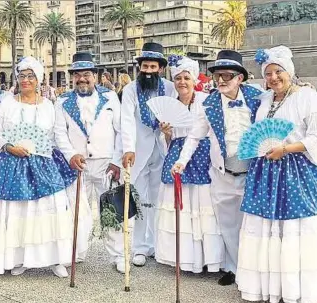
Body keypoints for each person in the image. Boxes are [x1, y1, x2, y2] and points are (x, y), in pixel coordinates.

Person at [235, 46, 317, 303]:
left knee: (298, 228)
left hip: (299, 171)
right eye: (268, 73)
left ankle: (302, 290)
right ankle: (274, 286)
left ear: (290, 72)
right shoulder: (264, 99)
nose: (273, 77)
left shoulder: (308, 96)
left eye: (278, 72)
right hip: (268, 172)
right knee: (270, 228)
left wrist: (285, 149)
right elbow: (239, 98)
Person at [0, 56, 81, 277]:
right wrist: (9, 146)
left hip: (42, 163)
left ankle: (55, 259)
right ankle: (19, 258)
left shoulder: (50, 107)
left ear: (39, 79)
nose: (25, 80)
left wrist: (72, 156)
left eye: (30, 76)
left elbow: (58, 136)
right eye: (22, 76)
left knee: (50, 208)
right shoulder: (7, 103)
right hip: (12, 164)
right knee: (18, 212)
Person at [171, 50, 263, 286]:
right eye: (217, 75)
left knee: (253, 224)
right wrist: (181, 161)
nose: (221, 80)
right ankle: (233, 268)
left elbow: (284, 100)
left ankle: (255, 269)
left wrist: (302, 86)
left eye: (227, 75)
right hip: (222, 175)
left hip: (253, 174)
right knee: (228, 223)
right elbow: (194, 136)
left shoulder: (259, 97)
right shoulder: (209, 103)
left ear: (240, 78)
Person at [152, 55, 224, 273]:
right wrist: (166, 133)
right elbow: (169, 141)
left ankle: (207, 258)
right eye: (178, 79)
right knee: (180, 204)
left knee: (203, 204)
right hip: (177, 154)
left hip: (201, 154)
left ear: (194, 80)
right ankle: (183, 257)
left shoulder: (206, 100)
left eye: (186, 78)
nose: (182, 82)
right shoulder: (171, 104)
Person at [54, 52, 125, 272]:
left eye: (86, 74)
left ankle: (119, 255)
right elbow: (59, 133)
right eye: (77, 75)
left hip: (106, 164)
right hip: (77, 165)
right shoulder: (62, 100)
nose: (82, 79)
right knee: (77, 211)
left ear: (95, 76)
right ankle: (76, 252)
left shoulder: (111, 97)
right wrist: (70, 155)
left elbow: (121, 130)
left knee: (112, 210)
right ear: (72, 77)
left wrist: (117, 161)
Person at [121, 42, 176, 267]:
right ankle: (139, 248)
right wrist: (128, 149)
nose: (149, 71)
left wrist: (169, 131)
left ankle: (157, 245)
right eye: (145, 66)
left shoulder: (171, 88)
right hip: (139, 152)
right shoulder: (130, 89)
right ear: (140, 67)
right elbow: (126, 120)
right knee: (140, 199)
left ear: (160, 68)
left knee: (158, 199)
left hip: (163, 150)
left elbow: (176, 115)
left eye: (153, 66)